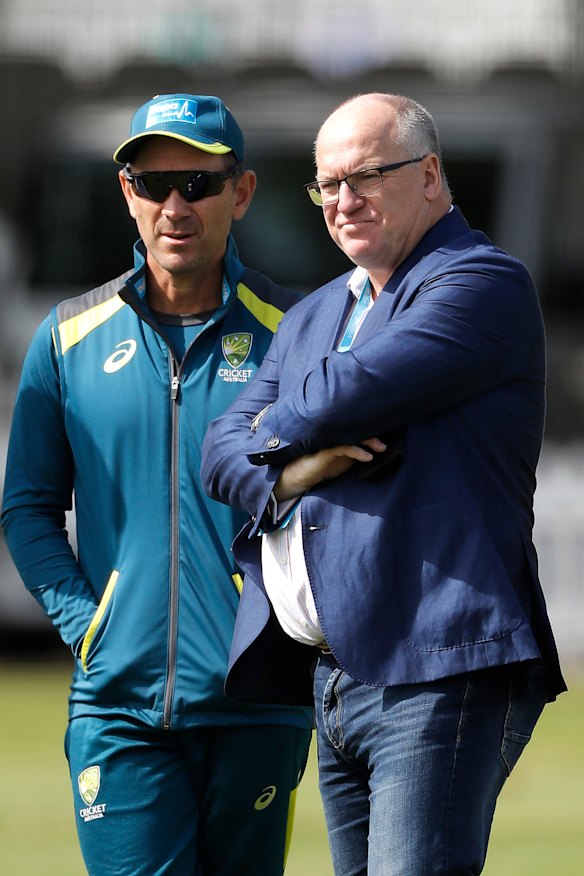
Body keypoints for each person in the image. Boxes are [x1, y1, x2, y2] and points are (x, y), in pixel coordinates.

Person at [200, 92, 567, 876]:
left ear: (429, 175)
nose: (342, 201)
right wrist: (296, 464)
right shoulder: (315, 312)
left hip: (437, 659)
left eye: (364, 176)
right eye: (326, 185)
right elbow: (217, 451)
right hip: (335, 672)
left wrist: (285, 420)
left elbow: (340, 395)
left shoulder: (481, 283)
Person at [1, 92, 313, 876]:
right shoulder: (69, 337)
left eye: (198, 185)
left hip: (259, 704)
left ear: (240, 194)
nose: (175, 205)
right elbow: (27, 507)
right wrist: (86, 624)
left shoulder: (294, 330)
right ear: (127, 195)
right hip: (118, 705)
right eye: (152, 183)